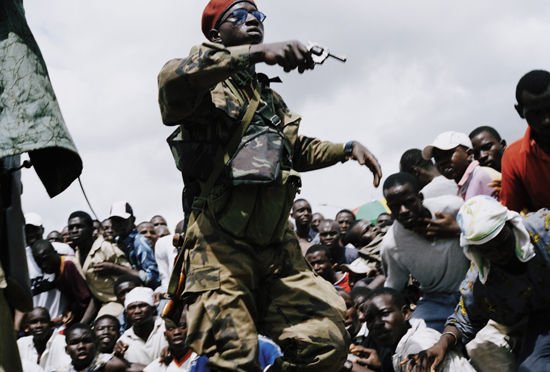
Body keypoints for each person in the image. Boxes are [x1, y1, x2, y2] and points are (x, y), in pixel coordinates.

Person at [157, 0, 383, 370]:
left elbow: (293, 149)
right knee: (235, 355)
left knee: (327, 340)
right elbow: (171, 83)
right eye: (239, 16)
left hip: (276, 250)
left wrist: (345, 149)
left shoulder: (268, 99)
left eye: (257, 15)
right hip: (220, 248)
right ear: (217, 33)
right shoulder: (204, 85)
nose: (252, 20)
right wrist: (256, 53)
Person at [407, 196, 550, 372]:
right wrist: (442, 344)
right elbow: (464, 319)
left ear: (511, 226)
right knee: (531, 368)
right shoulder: (480, 283)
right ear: (476, 251)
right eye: (488, 249)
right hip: (542, 320)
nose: (499, 253)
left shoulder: (543, 228)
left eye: (503, 242)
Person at [381, 173, 468, 332]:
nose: (403, 211)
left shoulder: (453, 208)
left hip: (475, 289)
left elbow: (490, 232)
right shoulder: (391, 244)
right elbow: (394, 287)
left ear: (420, 197)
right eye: (395, 206)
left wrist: (458, 230)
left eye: (409, 202)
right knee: (417, 338)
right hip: (436, 301)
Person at [353, 288, 475, 372]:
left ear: (405, 313)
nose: (377, 324)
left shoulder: (417, 348)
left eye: (384, 313)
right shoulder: (404, 344)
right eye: (369, 319)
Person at [501, 69, 550, 212]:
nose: (546, 120)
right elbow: (511, 214)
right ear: (520, 111)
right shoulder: (513, 157)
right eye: (535, 113)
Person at [67, 211, 131, 317]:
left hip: (119, 302)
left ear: (92, 230)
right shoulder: (76, 256)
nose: (74, 231)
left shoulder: (105, 248)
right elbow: (95, 294)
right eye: (71, 228)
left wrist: (114, 268)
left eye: (79, 227)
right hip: (101, 304)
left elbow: (131, 277)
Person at [31, 240, 94, 325]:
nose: (43, 265)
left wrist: (82, 323)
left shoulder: (69, 265)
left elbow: (87, 299)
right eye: (38, 262)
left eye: (46, 259)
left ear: (55, 253)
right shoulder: (55, 271)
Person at [422, 131, 499, 201]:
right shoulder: (466, 184)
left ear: (469, 154)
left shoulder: (482, 176)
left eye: (448, 154)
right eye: (437, 158)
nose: (442, 162)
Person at [106, 201, 160, 289]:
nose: (118, 225)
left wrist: (118, 269)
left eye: (122, 221)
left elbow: (153, 278)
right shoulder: (117, 242)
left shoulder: (140, 242)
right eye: (115, 221)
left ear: (133, 220)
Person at [115, 287, 168, 367]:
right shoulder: (123, 341)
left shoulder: (166, 327)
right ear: (126, 314)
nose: (137, 311)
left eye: (142, 305)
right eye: (132, 308)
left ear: (153, 309)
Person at [61, 323, 127, 372]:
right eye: (75, 342)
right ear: (67, 350)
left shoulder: (111, 365)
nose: (81, 346)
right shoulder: (64, 370)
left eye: (86, 341)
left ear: (96, 345)